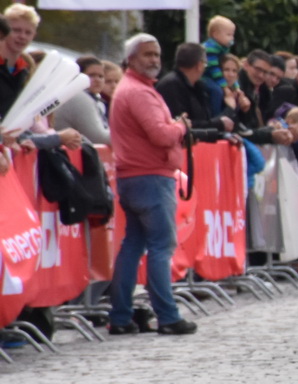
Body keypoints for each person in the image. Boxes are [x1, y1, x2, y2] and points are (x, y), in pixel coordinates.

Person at [106, 34, 196, 336]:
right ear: (131, 59)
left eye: (157, 54)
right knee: (161, 247)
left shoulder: (132, 89)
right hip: (151, 177)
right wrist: (182, 127)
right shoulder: (139, 93)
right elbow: (160, 134)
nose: (154, 60)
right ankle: (167, 316)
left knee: (133, 245)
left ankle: (120, 317)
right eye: (147, 54)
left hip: (134, 177)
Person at [157, 42, 234, 133]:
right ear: (199, 65)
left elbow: (205, 119)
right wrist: (227, 113)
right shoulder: (171, 85)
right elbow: (183, 124)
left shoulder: (198, 86)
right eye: (205, 64)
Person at [53, 56, 110, 145]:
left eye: (101, 76)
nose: (98, 80)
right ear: (78, 76)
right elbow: (99, 138)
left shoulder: (95, 99)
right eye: (91, 75)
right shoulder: (78, 97)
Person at [201, 16, 236, 118]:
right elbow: (214, 69)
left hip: (214, 77)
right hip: (205, 76)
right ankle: (216, 116)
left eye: (233, 35)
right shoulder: (211, 48)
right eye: (229, 35)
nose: (232, 38)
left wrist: (236, 87)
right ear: (215, 35)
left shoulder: (222, 48)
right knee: (216, 91)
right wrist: (224, 86)